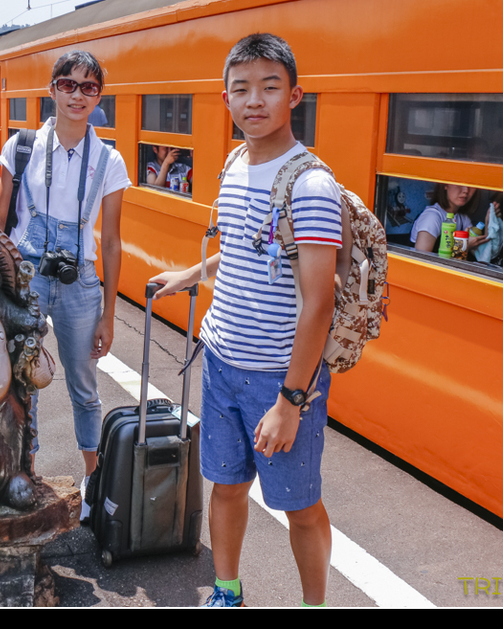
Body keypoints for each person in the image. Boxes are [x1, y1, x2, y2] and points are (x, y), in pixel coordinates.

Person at [151, 34, 340, 607]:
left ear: (295, 96)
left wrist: (289, 401)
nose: (254, 100)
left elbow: (319, 304)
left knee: (299, 506)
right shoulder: (235, 163)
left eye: (269, 87)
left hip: (277, 377)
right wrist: (191, 274)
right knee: (226, 486)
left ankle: (315, 603)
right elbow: (240, 251)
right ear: (226, 99)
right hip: (223, 361)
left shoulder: (310, 185)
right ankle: (227, 590)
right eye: (241, 89)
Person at [0, 51, 131, 519]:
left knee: (84, 386)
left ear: (99, 97)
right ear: (52, 90)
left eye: (88, 87)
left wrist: (109, 314)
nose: (77, 94)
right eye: (68, 85)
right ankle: (21, 471)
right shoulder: (21, 146)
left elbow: (110, 241)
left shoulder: (109, 160)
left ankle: (93, 479)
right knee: (16, 382)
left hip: (79, 282)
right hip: (24, 275)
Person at [411, 183, 487, 254]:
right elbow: (421, 259)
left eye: (471, 184)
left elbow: (479, 253)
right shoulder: (432, 216)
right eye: (459, 183)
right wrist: (463, 246)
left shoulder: (463, 219)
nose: (466, 190)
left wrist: (489, 222)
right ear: (445, 185)